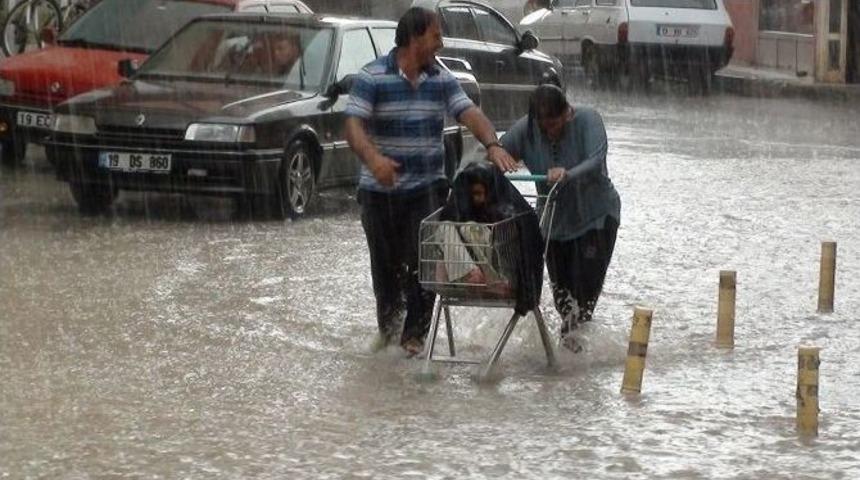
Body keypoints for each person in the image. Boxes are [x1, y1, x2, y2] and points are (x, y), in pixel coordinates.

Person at [344, 7, 518, 356]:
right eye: (436, 35)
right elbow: (353, 127)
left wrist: (493, 144)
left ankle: (414, 341)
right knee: (386, 271)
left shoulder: (442, 78)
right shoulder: (372, 76)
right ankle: (389, 339)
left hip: (427, 188)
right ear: (415, 38)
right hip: (379, 194)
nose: (441, 42)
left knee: (422, 265)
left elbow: (469, 113)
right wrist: (375, 160)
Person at [500, 84, 621, 353]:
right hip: (554, 225)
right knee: (563, 298)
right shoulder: (526, 130)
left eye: (554, 124)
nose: (550, 132)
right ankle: (568, 359)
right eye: (543, 127)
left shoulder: (588, 120)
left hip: (596, 220)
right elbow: (497, 152)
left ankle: (572, 359)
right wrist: (494, 157)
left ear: (568, 112)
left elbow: (596, 159)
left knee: (584, 295)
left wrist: (568, 173)